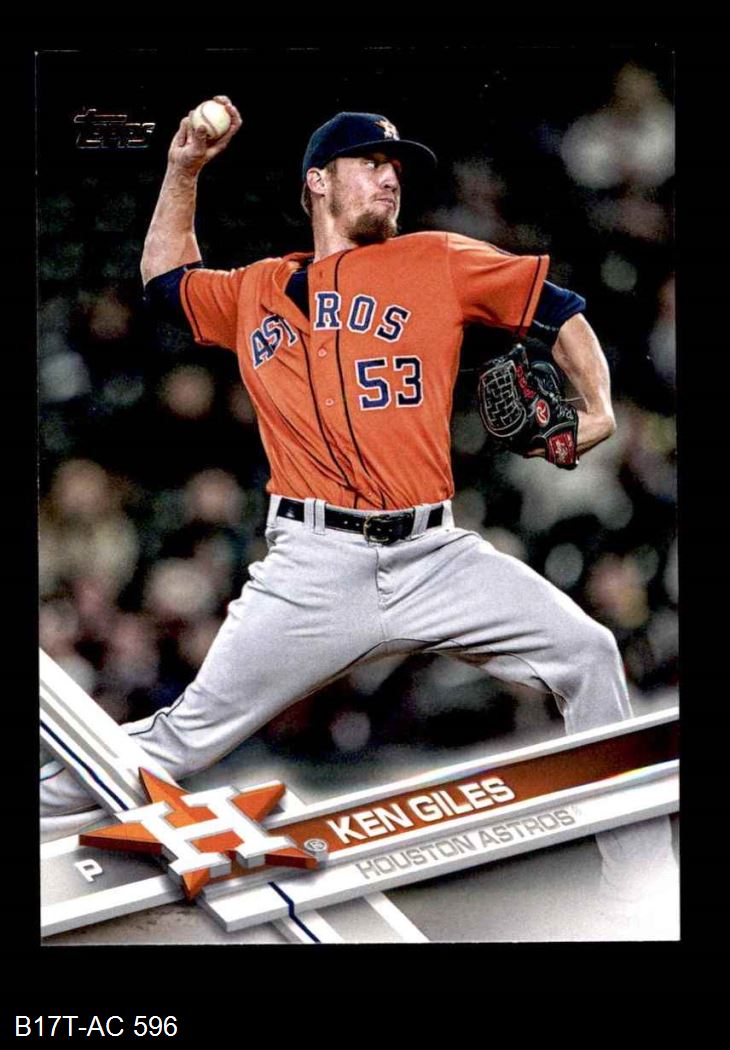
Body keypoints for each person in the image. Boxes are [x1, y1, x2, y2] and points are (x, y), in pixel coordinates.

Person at [41, 97, 677, 926]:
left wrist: (597, 407)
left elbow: (560, 310)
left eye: (396, 168)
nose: (390, 178)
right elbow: (165, 284)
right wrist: (183, 168)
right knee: (178, 739)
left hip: (434, 553)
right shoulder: (257, 289)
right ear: (318, 181)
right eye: (371, 164)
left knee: (588, 653)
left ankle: (643, 889)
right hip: (312, 565)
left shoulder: (437, 259)